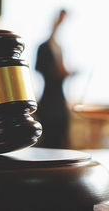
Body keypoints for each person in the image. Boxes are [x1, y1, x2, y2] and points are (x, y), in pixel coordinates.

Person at [35, 9, 71, 148]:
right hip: (49, 101)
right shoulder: (44, 47)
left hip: (59, 100)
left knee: (62, 139)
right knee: (49, 140)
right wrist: (56, 72)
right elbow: (39, 68)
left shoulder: (59, 48)